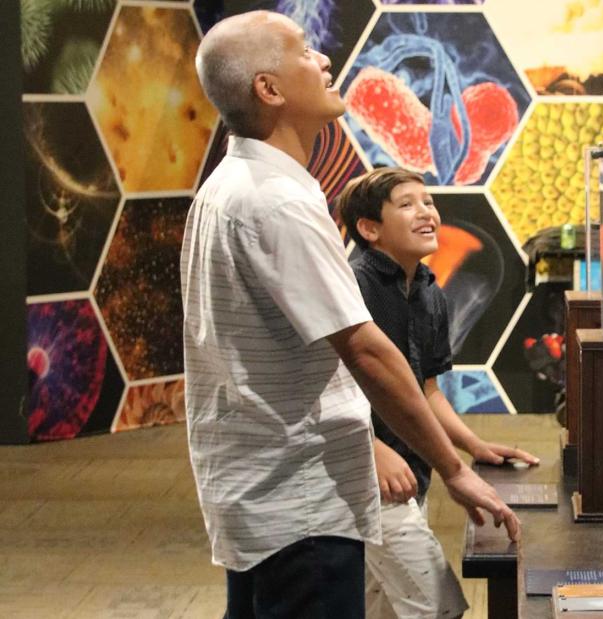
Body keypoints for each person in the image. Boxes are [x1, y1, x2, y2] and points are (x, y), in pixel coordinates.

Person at [182, 11, 519, 618]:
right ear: (270, 88)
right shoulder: (275, 201)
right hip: (298, 499)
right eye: (305, 52)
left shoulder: (232, 186)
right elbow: (363, 349)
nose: (325, 61)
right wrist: (453, 470)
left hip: (264, 493)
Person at [332, 167, 539, 618]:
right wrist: (369, 448)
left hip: (411, 475)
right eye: (406, 205)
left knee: (381, 608)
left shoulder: (429, 292)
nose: (426, 212)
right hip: (364, 477)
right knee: (436, 605)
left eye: (427, 202)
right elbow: (323, 385)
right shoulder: (352, 286)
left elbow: (427, 392)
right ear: (369, 228)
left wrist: (472, 444)